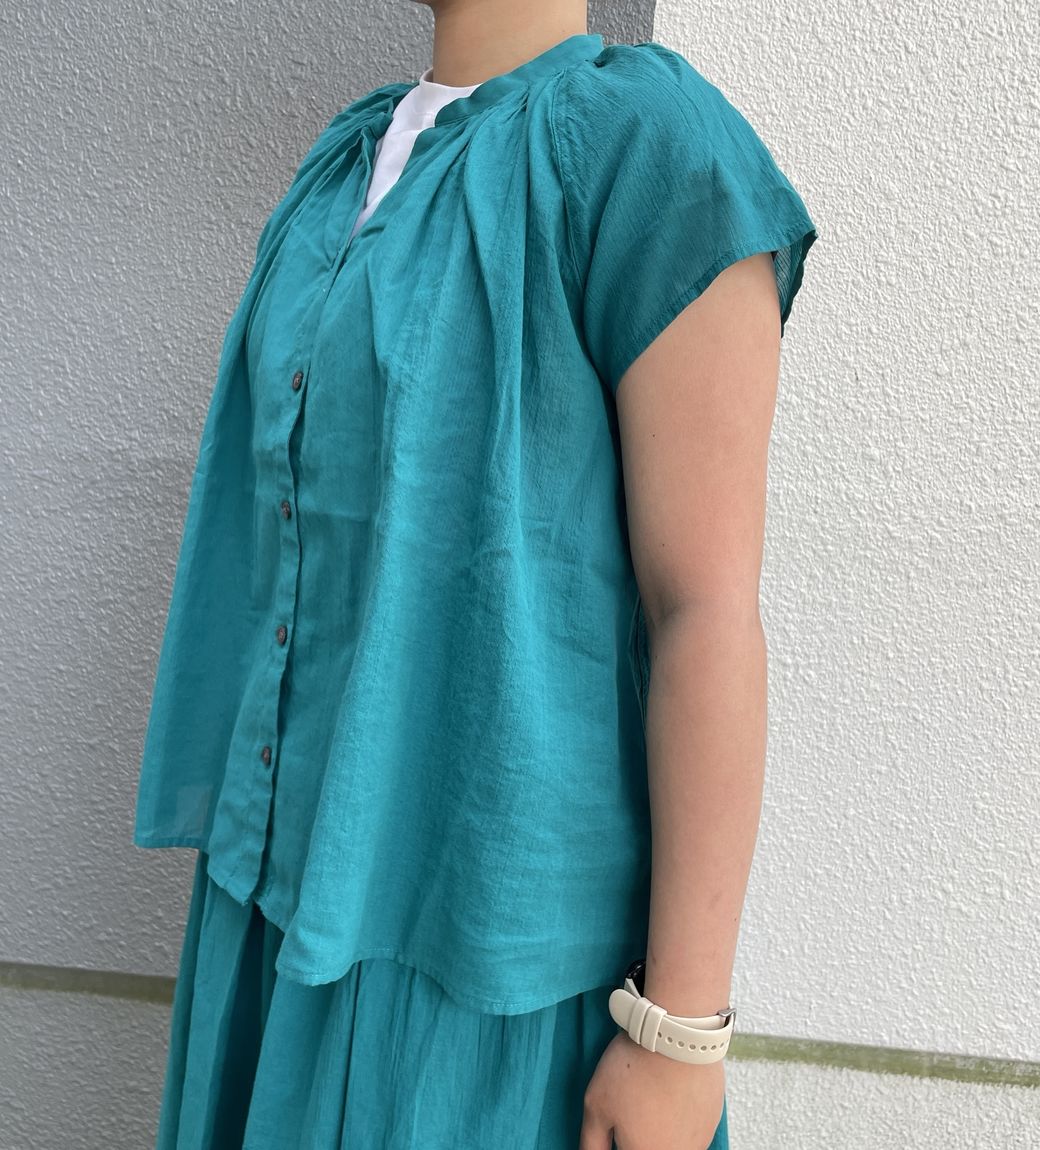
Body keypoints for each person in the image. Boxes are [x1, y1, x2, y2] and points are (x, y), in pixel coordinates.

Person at [133, 1, 818, 1147]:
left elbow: (702, 611)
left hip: (485, 983)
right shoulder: (348, 158)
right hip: (277, 916)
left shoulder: (648, 145)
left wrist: (678, 1034)